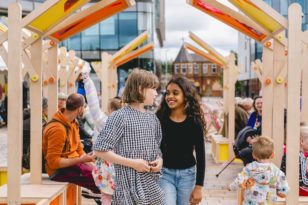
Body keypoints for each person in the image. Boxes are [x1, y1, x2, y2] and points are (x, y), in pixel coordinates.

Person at [93, 68, 164, 205]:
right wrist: (132, 163)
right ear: (140, 89)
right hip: (127, 189)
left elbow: (157, 151)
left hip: (150, 187)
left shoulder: (152, 118)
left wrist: (159, 161)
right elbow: (100, 150)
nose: (156, 93)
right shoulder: (120, 116)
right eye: (153, 88)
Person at [156, 76, 206, 205]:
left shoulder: (195, 122)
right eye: (167, 93)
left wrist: (199, 187)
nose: (170, 96)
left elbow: (201, 155)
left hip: (187, 175)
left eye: (175, 93)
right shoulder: (160, 119)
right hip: (165, 174)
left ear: (186, 95)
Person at [42, 93, 100, 202]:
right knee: (101, 181)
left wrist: (91, 163)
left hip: (73, 165)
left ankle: (98, 194)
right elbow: (53, 162)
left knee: (103, 174)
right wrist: (81, 160)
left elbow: (78, 149)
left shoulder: (74, 122)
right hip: (58, 171)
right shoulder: (57, 129)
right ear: (80, 109)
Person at [230, 136, 289, 205]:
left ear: (253, 155)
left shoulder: (249, 167)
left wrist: (231, 187)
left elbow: (240, 179)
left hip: (250, 201)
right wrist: (282, 192)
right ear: (272, 155)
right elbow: (283, 183)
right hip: (267, 201)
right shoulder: (275, 171)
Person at [280, 123, 308, 196]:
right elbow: (302, 182)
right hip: (294, 191)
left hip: (284, 187)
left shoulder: (289, 153)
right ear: (302, 141)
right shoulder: (300, 156)